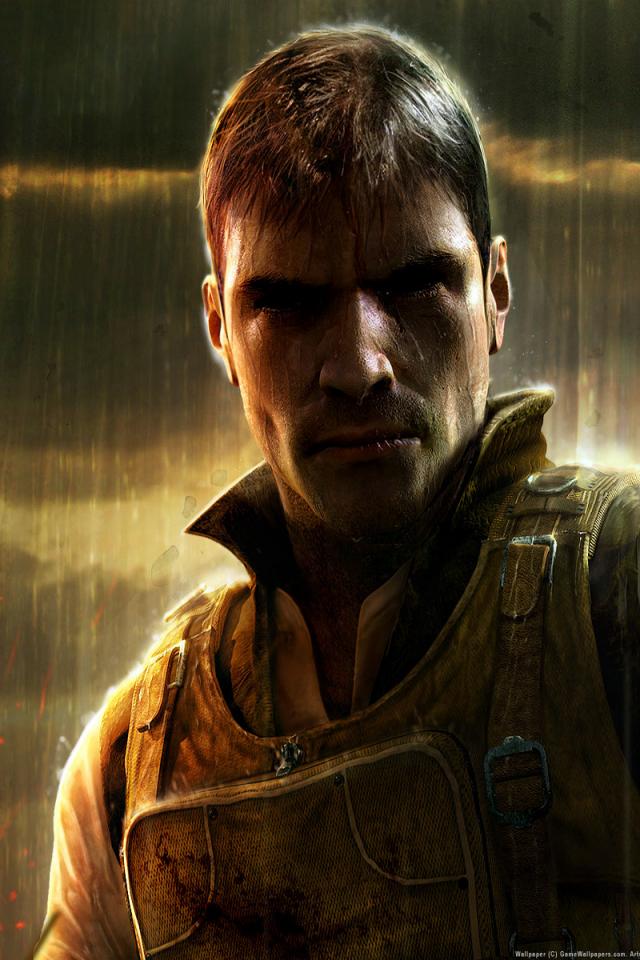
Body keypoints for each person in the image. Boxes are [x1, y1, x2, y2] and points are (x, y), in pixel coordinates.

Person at [43, 26, 640, 959]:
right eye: (287, 302)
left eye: (414, 285)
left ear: (494, 292)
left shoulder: (617, 601)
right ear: (220, 327)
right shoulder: (135, 757)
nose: (360, 366)